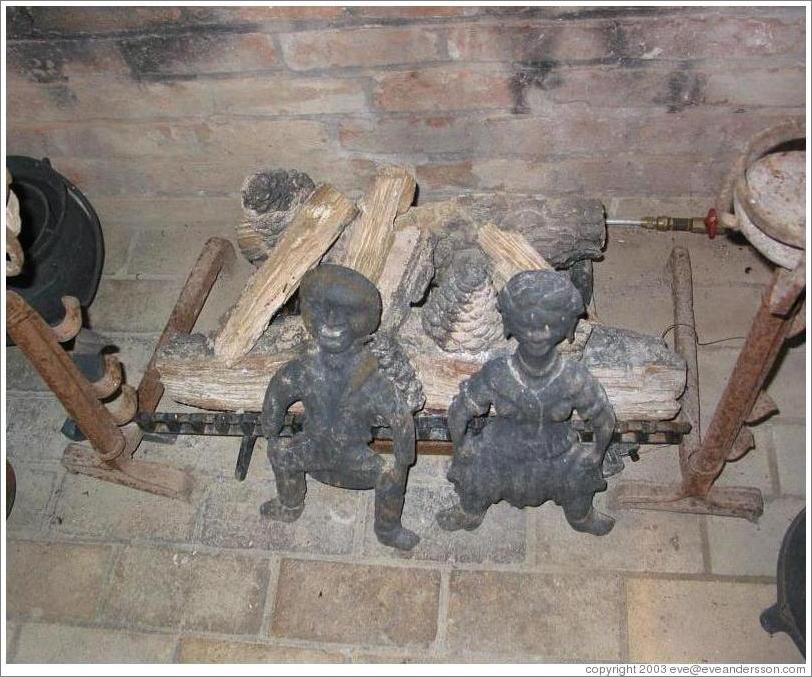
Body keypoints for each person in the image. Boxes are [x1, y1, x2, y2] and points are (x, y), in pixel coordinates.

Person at [436, 269, 617, 536]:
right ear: (509, 324)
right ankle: (470, 511)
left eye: (549, 324)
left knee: (581, 474)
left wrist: (595, 454)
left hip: (557, 453)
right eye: (527, 324)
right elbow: (459, 411)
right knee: (474, 468)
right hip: (500, 450)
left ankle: (580, 515)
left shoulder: (573, 378)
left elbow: (604, 419)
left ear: (568, 327)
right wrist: (461, 447)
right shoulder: (498, 374)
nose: (537, 334)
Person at [261, 264, 419, 550]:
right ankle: (290, 503)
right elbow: (278, 392)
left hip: (355, 458)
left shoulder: (371, 378)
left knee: (391, 478)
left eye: (345, 313)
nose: (332, 322)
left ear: (362, 321)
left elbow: (400, 417)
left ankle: (388, 529)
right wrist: (270, 429)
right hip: (311, 447)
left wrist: (403, 459)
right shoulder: (304, 369)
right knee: (280, 454)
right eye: (324, 310)